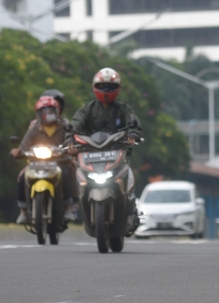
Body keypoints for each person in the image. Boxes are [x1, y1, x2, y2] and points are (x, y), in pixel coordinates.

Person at [10, 96, 75, 224]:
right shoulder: (34, 128)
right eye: (44, 111)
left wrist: (71, 149)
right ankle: (23, 211)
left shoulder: (64, 126)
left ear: (57, 112)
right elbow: (24, 145)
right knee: (22, 176)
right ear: (38, 114)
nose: (47, 114)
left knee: (65, 174)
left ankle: (68, 208)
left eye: (51, 111)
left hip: (58, 162)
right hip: (36, 163)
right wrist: (17, 151)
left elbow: (70, 141)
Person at [66, 67, 142, 143]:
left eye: (110, 86)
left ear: (118, 87)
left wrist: (133, 133)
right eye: (102, 86)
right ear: (95, 86)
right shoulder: (87, 108)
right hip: (89, 150)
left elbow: (133, 122)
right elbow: (76, 122)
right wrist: (70, 137)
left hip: (118, 147)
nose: (106, 89)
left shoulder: (124, 109)